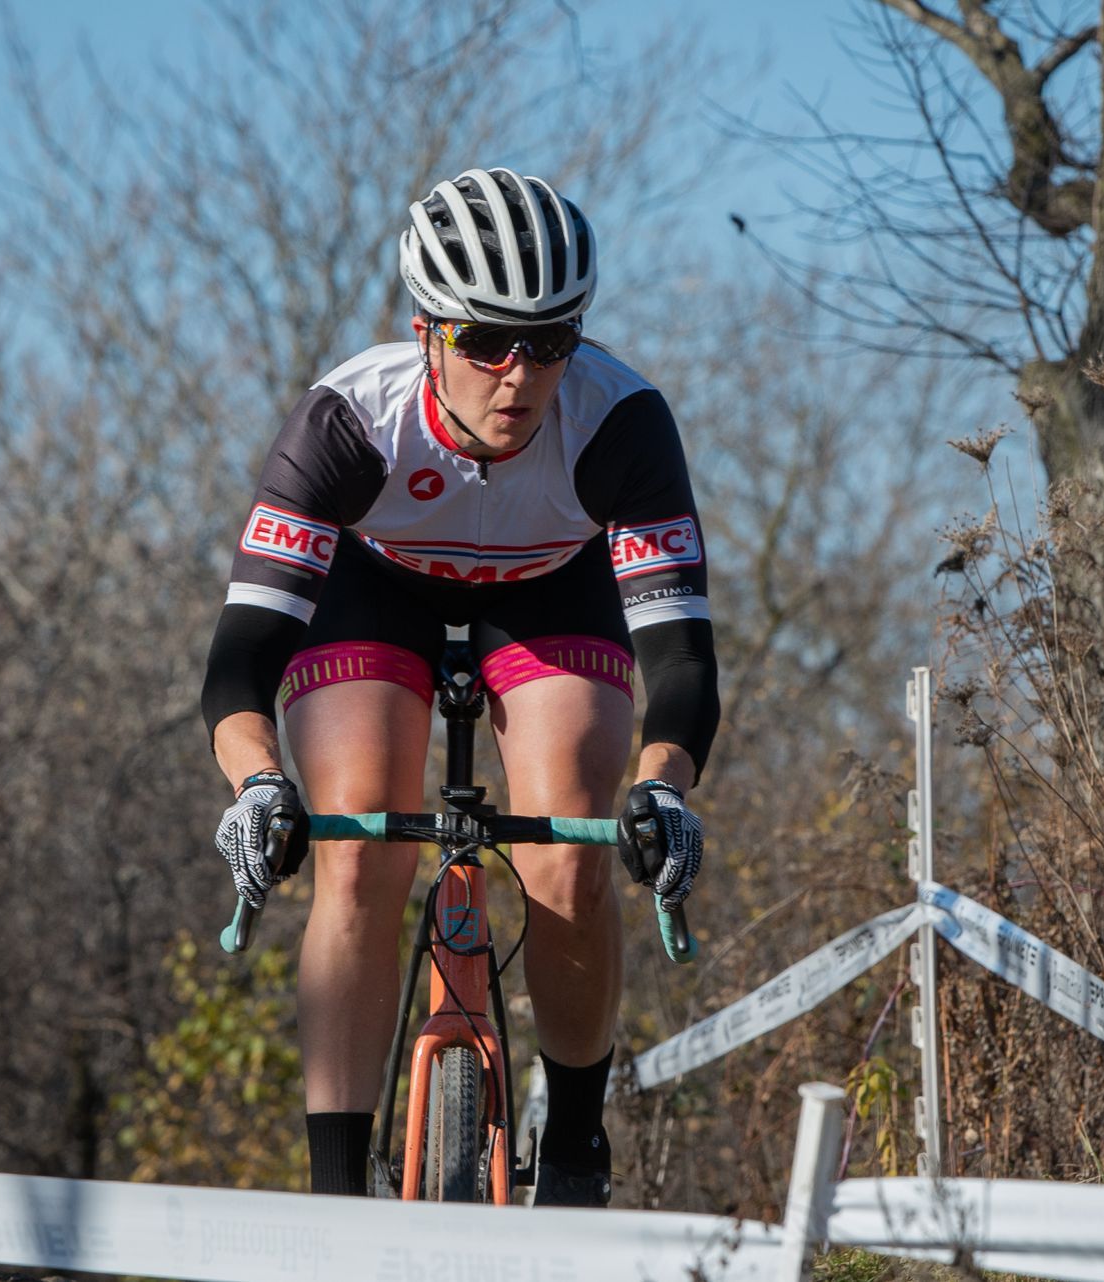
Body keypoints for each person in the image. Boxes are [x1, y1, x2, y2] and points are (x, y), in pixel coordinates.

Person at [201, 167, 719, 1206]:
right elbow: (241, 657)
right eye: (485, 341)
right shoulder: (348, 423)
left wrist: (661, 788)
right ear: (425, 329)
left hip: (549, 594)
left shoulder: (620, 424)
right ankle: (337, 1197)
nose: (518, 375)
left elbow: (683, 661)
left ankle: (572, 1148)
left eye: (551, 341)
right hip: (373, 590)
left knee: (568, 846)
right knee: (354, 855)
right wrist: (258, 785)